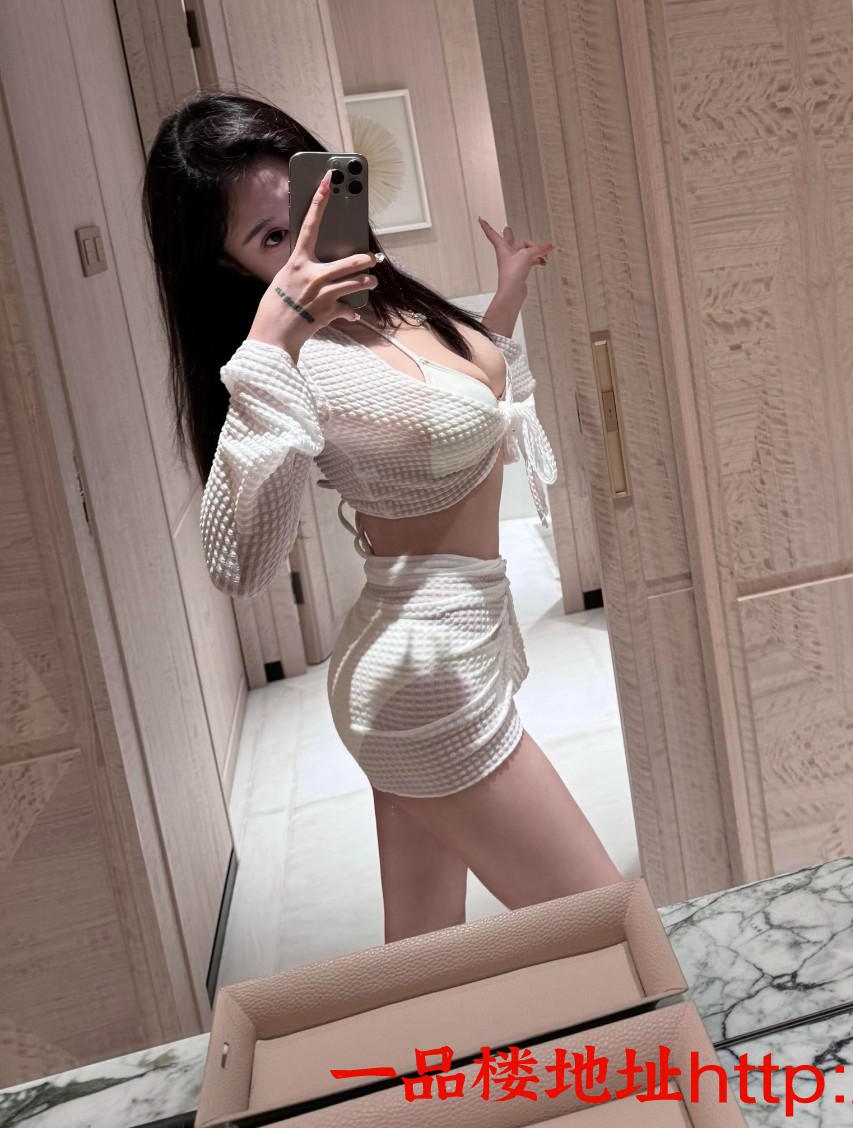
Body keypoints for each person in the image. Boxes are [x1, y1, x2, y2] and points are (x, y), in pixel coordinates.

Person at [143, 90, 621, 940]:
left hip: (444, 653)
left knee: (426, 951)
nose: (308, 248)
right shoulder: (294, 365)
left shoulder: (389, 305)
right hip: (426, 684)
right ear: (227, 266)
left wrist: (505, 298)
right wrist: (270, 346)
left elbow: (459, 403)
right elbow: (238, 564)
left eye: (313, 208)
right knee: (608, 932)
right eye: (272, 239)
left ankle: (437, 1038)